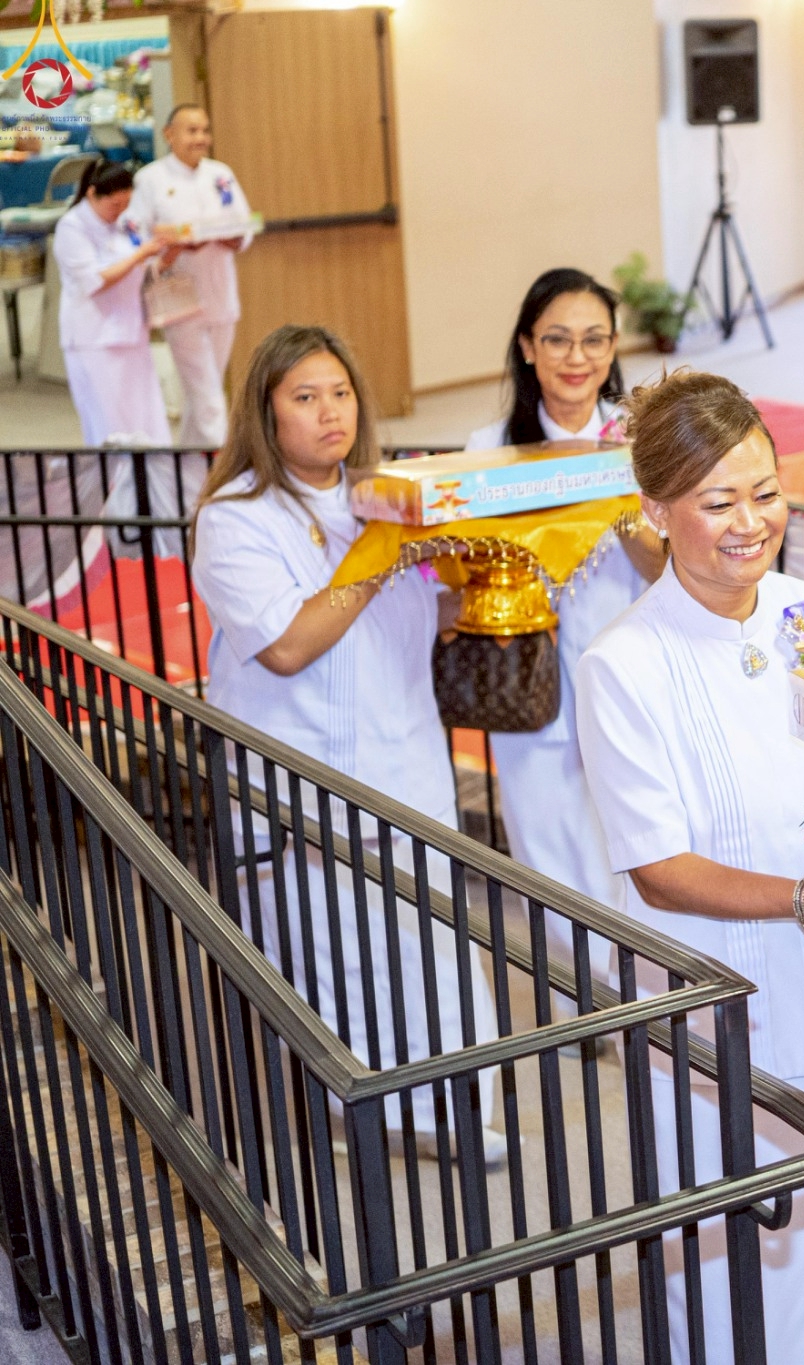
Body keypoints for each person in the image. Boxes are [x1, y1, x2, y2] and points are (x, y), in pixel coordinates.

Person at [574, 370, 804, 1365]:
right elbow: (661, 869)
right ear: (653, 513)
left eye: (764, 493)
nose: (748, 521)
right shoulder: (623, 663)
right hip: (721, 1014)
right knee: (738, 1275)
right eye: (717, 502)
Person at [190, 324, 501, 1149]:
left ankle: (457, 1105)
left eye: (341, 393)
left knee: (434, 946)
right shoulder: (235, 519)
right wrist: (384, 547)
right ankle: (375, 1118)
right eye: (305, 396)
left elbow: (412, 617)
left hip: (408, 762)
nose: (330, 412)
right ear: (266, 411)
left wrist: (480, 579)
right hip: (302, 782)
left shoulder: (377, 499)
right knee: (342, 962)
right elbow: (289, 643)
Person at [465, 268, 665, 914]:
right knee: (552, 866)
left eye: (593, 340)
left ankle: (650, 1006)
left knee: (643, 849)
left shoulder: (642, 439)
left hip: (634, 673)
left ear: (612, 348)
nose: (576, 358)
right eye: (556, 340)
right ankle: (589, 1005)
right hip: (530, 685)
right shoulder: (490, 449)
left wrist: (617, 482)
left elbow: (667, 568)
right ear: (527, 346)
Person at [125, 103, 255, 448]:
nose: (200, 138)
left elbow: (243, 223)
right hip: (178, 296)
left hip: (221, 292)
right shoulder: (150, 179)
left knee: (204, 389)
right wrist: (169, 247)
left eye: (204, 131)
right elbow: (134, 232)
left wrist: (234, 237)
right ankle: (227, 465)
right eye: (191, 131)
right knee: (207, 390)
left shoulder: (220, 175)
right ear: (169, 135)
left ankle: (190, 468)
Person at [51, 158, 171, 447]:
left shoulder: (126, 222)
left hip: (131, 332)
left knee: (147, 418)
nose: (120, 211)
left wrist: (170, 249)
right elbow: (96, 281)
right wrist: (140, 255)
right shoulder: (72, 227)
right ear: (92, 194)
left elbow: (148, 268)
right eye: (114, 205)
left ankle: (152, 487)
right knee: (110, 424)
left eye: (126, 204)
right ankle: (115, 487)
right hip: (94, 338)